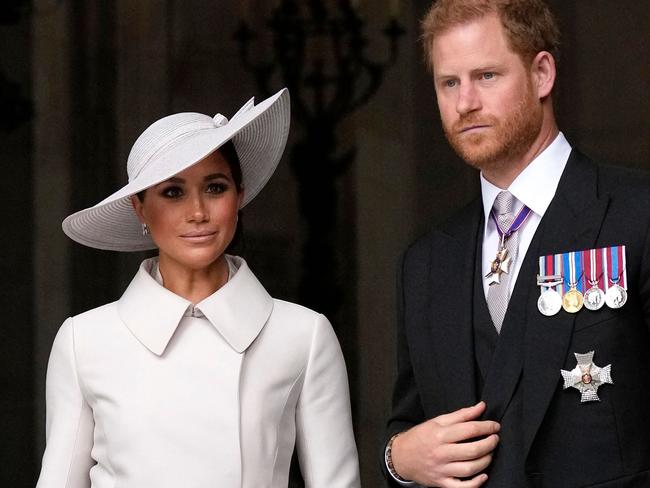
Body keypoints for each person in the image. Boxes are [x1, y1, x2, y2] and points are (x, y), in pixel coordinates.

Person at [36, 88, 361, 488]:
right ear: (140, 208)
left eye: (215, 187)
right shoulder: (83, 342)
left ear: (239, 196)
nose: (197, 213)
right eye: (173, 192)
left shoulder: (304, 335)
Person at [383, 1, 650, 487]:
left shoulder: (638, 215)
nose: (465, 103)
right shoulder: (424, 264)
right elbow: (410, 427)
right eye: (449, 83)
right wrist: (397, 460)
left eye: (486, 76)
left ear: (542, 73)